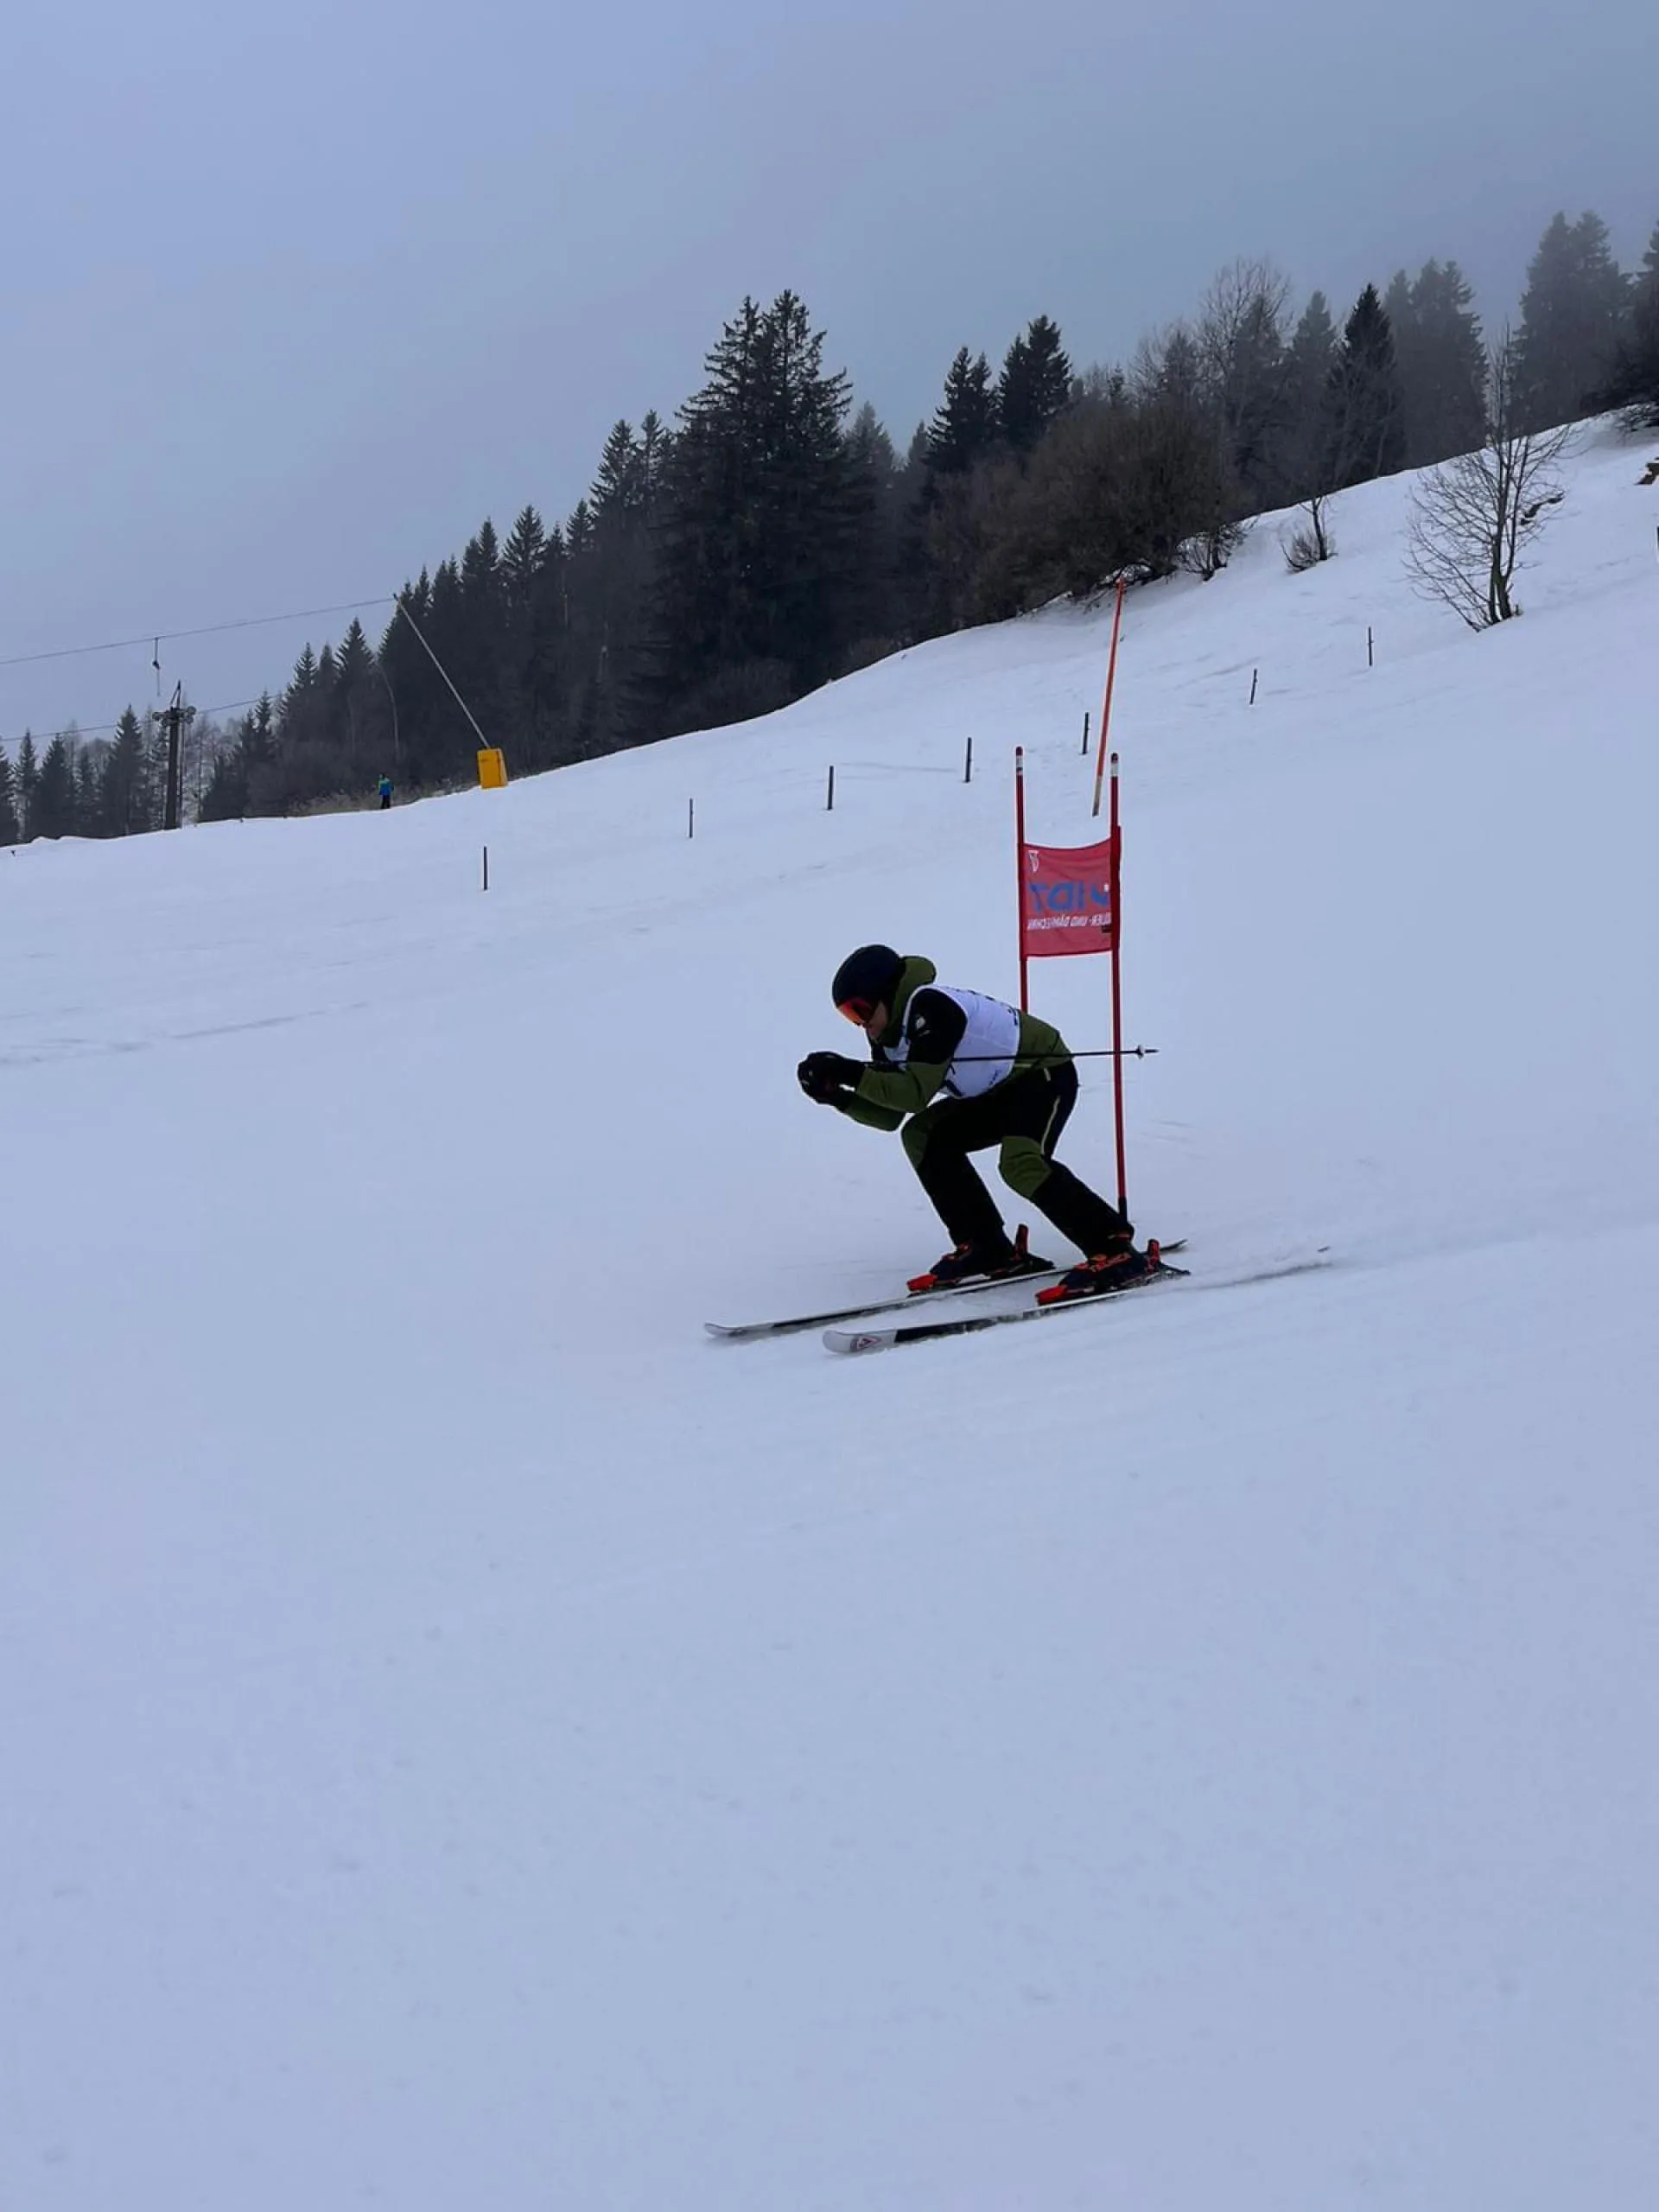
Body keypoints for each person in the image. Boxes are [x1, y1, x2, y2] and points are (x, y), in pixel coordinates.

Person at [798, 943, 1151, 1300]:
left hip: (1041, 1073)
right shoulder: (888, 1039)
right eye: (849, 1016)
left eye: (861, 1010)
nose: (861, 1023)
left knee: (1020, 1164)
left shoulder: (932, 1008)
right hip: (996, 1091)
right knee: (921, 1135)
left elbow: (913, 1095)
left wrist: (850, 1072)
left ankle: (1113, 1245)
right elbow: (890, 1116)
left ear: (888, 993)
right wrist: (837, 1096)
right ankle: (986, 1245)